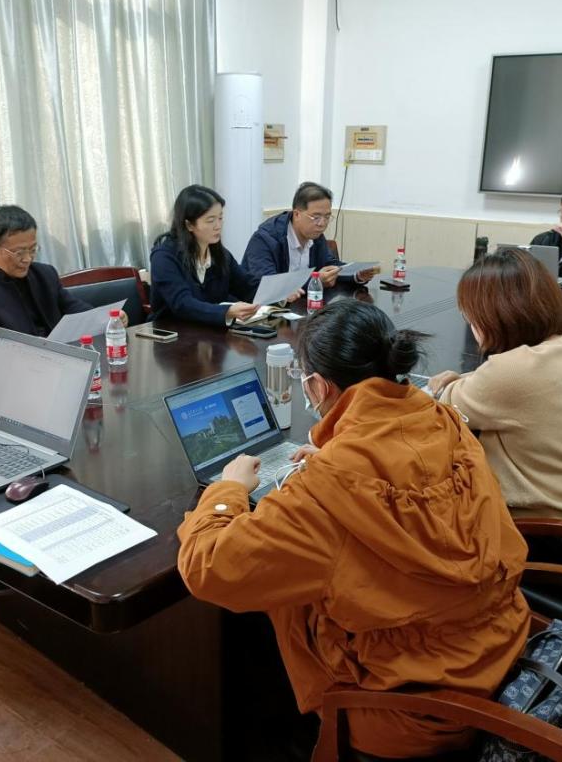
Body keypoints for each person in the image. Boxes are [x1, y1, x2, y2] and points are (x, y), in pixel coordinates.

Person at [177, 299, 530, 759]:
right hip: (495, 649)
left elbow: (207, 568)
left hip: (410, 708)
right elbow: (416, 493)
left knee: (268, 604)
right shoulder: (443, 421)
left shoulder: (327, 490)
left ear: (317, 385)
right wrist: (341, 458)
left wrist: (227, 491)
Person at [426, 249, 562, 529]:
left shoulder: (511, 372)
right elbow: (502, 384)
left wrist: (452, 385)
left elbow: (445, 408)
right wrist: (467, 380)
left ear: (492, 316)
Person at [0, 205, 91, 364]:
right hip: (14, 366)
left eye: (32, 249)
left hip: (62, 360)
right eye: (19, 252)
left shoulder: (44, 273)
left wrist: (103, 320)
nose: (27, 259)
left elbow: (77, 311)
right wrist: (33, 351)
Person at [149, 185, 261, 325]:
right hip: (171, 332)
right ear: (189, 225)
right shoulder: (164, 257)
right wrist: (226, 312)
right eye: (210, 220)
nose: (218, 226)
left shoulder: (220, 254)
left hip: (208, 331)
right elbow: (182, 304)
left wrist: (279, 294)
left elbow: (247, 286)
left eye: (220, 218)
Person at [241, 181, 379, 295]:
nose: (322, 224)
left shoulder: (315, 235)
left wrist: (356, 274)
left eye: (327, 217)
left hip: (303, 308)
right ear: (297, 214)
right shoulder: (265, 239)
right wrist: (315, 281)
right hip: (263, 312)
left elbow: (328, 265)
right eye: (316, 217)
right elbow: (268, 284)